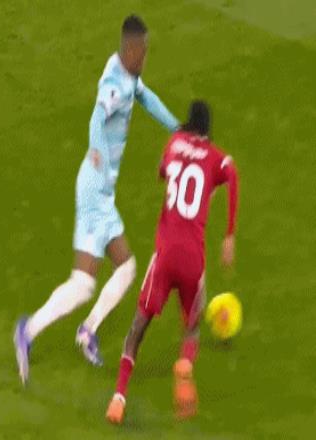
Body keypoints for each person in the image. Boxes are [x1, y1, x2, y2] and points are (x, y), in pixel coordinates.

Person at [14, 14, 180, 385]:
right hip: (94, 190)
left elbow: (146, 97)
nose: (146, 57)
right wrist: (95, 148)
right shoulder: (114, 85)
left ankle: (86, 330)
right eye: (144, 52)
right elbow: (96, 116)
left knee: (125, 268)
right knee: (85, 284)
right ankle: (30, 329)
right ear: (132, 50)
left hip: (101, 192)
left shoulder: (126, 73)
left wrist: (177, 129)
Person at [106, 100, 239, 423]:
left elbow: (162, 170)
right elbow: (232, 173)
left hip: (165, 256)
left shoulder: (174, 142)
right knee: (192, 325)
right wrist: (229, 235)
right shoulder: (216, 158)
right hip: (193, 259)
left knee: (138, 326)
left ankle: (119, 397)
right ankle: (185, 364)